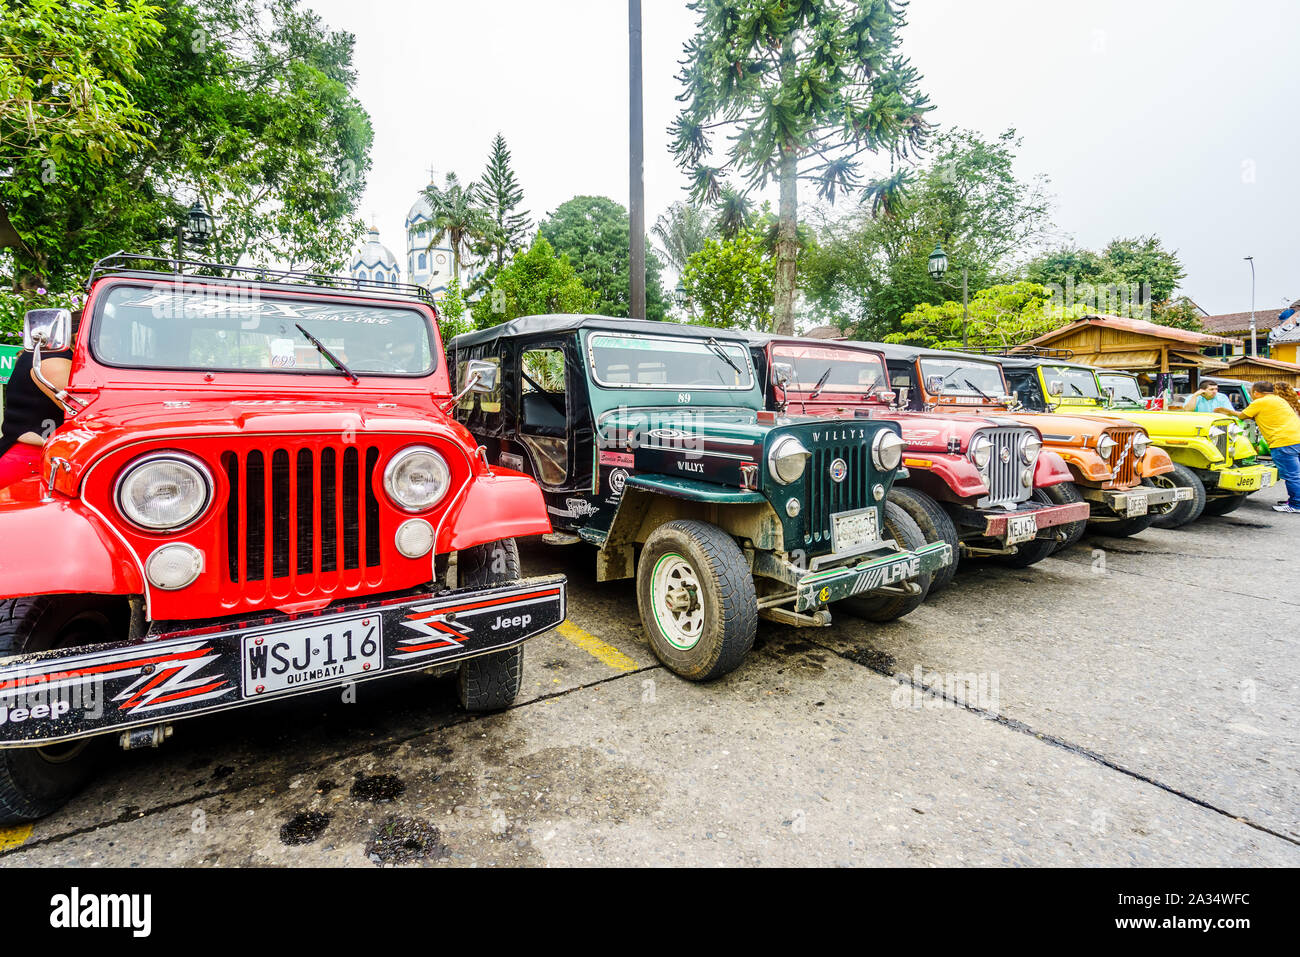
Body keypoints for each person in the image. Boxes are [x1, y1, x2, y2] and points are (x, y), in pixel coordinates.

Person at [1215, 381, 1300, 513]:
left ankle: (1296, 505)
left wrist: (1226, 411)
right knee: (1296, 473)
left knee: (1292, 475)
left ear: (1256, 393)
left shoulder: (1260, 402)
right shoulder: (1278, 399)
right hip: (1296, 439)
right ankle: (1295, 500)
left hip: (1283, 441)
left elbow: (1243, 416)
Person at [0, 341, 73, 490]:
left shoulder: (47, 354)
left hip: (37, 459)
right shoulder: (54, 361)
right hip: (31, 464)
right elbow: (88, 412)